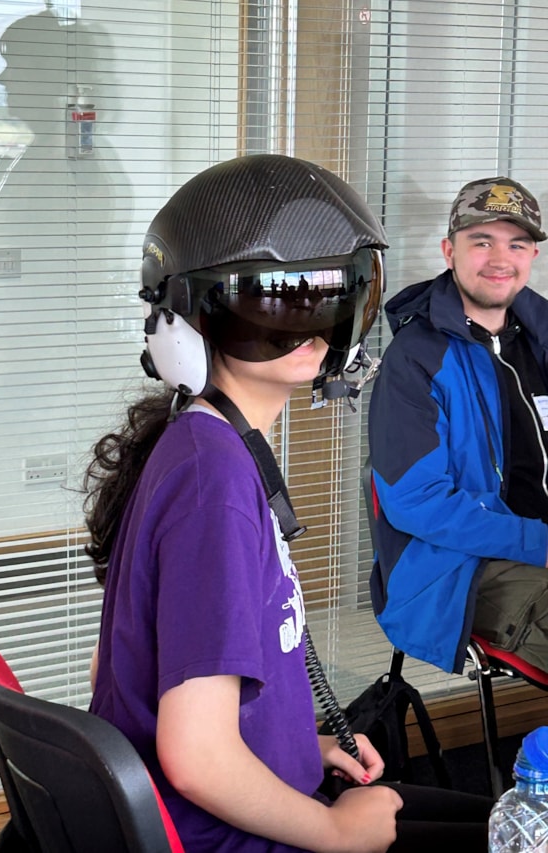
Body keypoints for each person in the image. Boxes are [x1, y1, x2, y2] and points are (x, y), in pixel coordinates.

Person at [85, 154, 492, 853]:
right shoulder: (211, 481)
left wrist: (300, 746)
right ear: (185, 323)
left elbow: (142, 680)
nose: (309, 327)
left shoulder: (203, 449)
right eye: (270, 303)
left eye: (331, 299)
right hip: (231, 835)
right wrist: (332, 828)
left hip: (250, 800)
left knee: (495, 819)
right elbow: (194, 755)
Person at [368, 175, 548, 677]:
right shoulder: (416, 361)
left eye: (517, 243)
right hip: (459, 567)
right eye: (481, 241)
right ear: (450, 251)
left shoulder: (541, 338)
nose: (499, 258)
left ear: (532, 255)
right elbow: (418, 503)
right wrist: (543, 543)